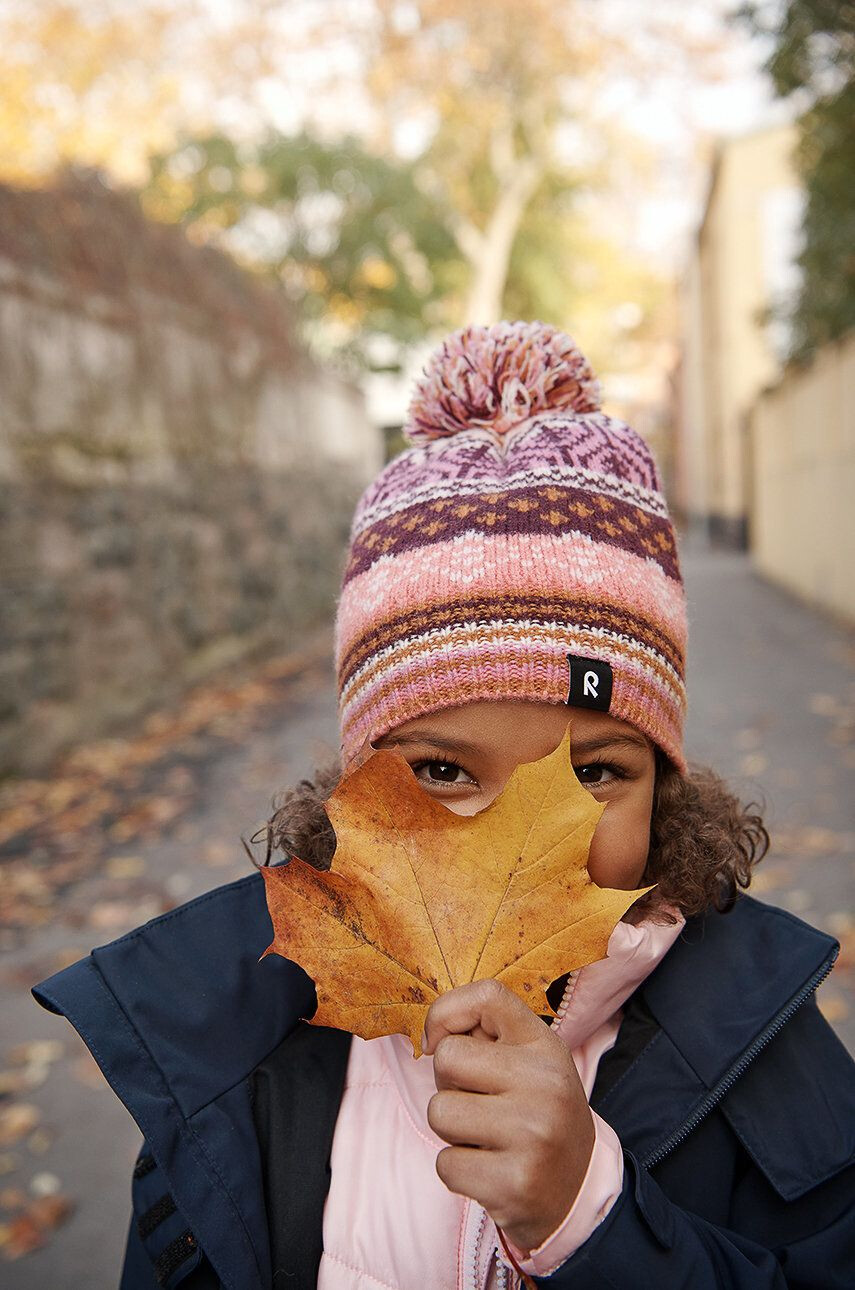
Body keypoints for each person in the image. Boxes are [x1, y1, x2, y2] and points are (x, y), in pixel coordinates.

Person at [34, 322, 855, 1289]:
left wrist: (591, 1215)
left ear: (663, 787)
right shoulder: (239, 1045)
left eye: (592, 774)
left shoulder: (763, 1047)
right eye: (441, 772)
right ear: (355, 795)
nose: (520, 851)